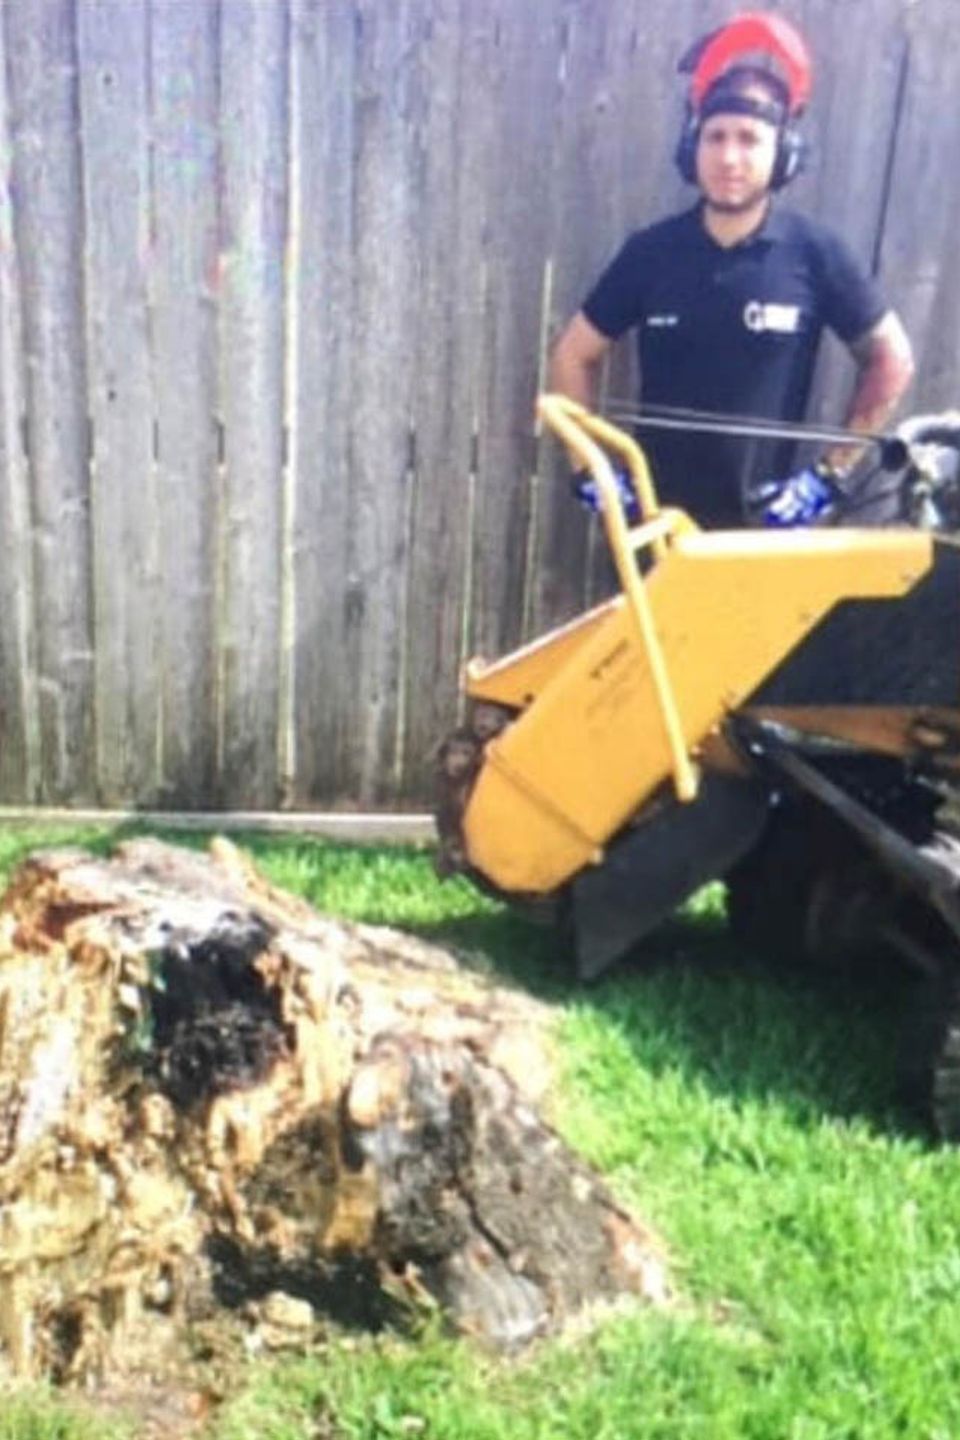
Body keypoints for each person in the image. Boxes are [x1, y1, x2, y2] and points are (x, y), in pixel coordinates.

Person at [548, 12, 915, 529]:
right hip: (657, 536)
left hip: (767, 541)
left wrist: (829, 477)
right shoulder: (650, 253)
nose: (730, 157)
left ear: (783, 152)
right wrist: (592, 472)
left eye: (749, 138)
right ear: (692, 148)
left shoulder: (815, 253)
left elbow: (891, 359)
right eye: (716, 137)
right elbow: (571, 356)